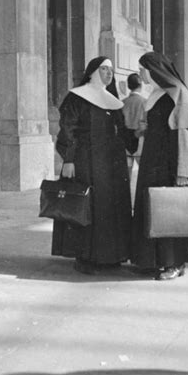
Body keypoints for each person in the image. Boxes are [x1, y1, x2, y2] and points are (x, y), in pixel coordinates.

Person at [52, 56, 132, 274]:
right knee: (87, 206)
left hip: (112, 163)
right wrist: (68, 160)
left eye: (111, 71)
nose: (109, 74)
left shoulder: (112, 100)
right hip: (85, 160)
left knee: (110, 207)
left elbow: (122, 130)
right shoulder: (77, 97)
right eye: (104, 69)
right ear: (93, 71)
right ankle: (85, 257)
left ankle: (110, 255)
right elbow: (68, 130)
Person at [131, 52, 188, 281]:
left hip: (171, 165)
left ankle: (174, 263)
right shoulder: (155, 94)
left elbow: (184, 136)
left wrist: (183, 172)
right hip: (151, 163)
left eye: (143, 69)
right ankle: (152, 260)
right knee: (152, 212)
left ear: (155, 70)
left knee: (172, 214)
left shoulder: (179, 94)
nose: (140, 73)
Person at [122, 73, 147, 178]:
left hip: (125, 141)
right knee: (144, 175)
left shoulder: (122, 103)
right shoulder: (145, 102)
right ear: (141, 86)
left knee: (127, 176)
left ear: (128, 86)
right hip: (140, 141)